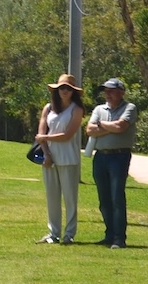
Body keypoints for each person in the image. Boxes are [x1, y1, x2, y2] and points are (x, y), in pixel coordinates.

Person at [34, 74, 85, 244]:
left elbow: (67, 135)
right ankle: (53, 234)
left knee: (70, 199)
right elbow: (41, 133)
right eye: (62, 88)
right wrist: (47, 154)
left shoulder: (77, 109)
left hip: (68, 158)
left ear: (73, 91)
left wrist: (45, 138)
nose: (65, 91)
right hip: (49, 158)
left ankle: (69, 234)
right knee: (52, 198)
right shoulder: (48, 108)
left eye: (68, 88)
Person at [86, 77, 136, 249]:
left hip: (119, 157)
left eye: (111, 91)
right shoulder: (99, 109)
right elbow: (89, 129)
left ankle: (119, 238)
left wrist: (101, 126)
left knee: (116, 198)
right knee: (104, 199)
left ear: (121, 92)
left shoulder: (129, 108)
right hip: (101, 157)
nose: (107, 94)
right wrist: (110, 127)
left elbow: (121, 127)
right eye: (105, 91)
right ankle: (109, 234)